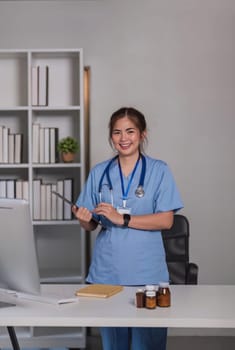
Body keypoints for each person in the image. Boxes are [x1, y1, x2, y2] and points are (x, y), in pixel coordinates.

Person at [73, 107, 183, 350]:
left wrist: (122, 219)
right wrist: (83, 218)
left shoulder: (159, 171)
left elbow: (166, 220)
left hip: (148, 276)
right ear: (111, 136)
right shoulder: (99, 172)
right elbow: (92, 223)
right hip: (107, 274)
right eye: (117, 132)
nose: (123, 138)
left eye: (130, 131)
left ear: (142, 134)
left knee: (147, 346)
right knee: (114, 346)